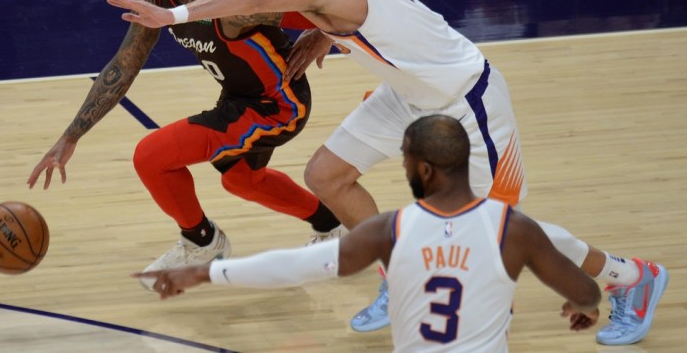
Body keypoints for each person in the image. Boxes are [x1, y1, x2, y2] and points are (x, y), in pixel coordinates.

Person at [104, 0, 668, 344]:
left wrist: (170, 14)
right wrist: (325, 31)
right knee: (327, 175)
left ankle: (630, 276)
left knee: (497, 230)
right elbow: (345, 9)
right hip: (408, 95)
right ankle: (398, 283)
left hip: (467, 100)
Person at [27, 0, 346, 291]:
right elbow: (124, 66)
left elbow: (336, 2)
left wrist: (324, 35)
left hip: (276, 105)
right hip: (240, 98)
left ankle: (201, 241)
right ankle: (333, 224)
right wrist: (71, 136)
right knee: (243, 181)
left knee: (152, 155)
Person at [133, 115, 602, 352]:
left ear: (421, 168)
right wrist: (581, 306)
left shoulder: (390, 232)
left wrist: (206, 275)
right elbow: (583, 290)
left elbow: (292, 266)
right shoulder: (515, 230)